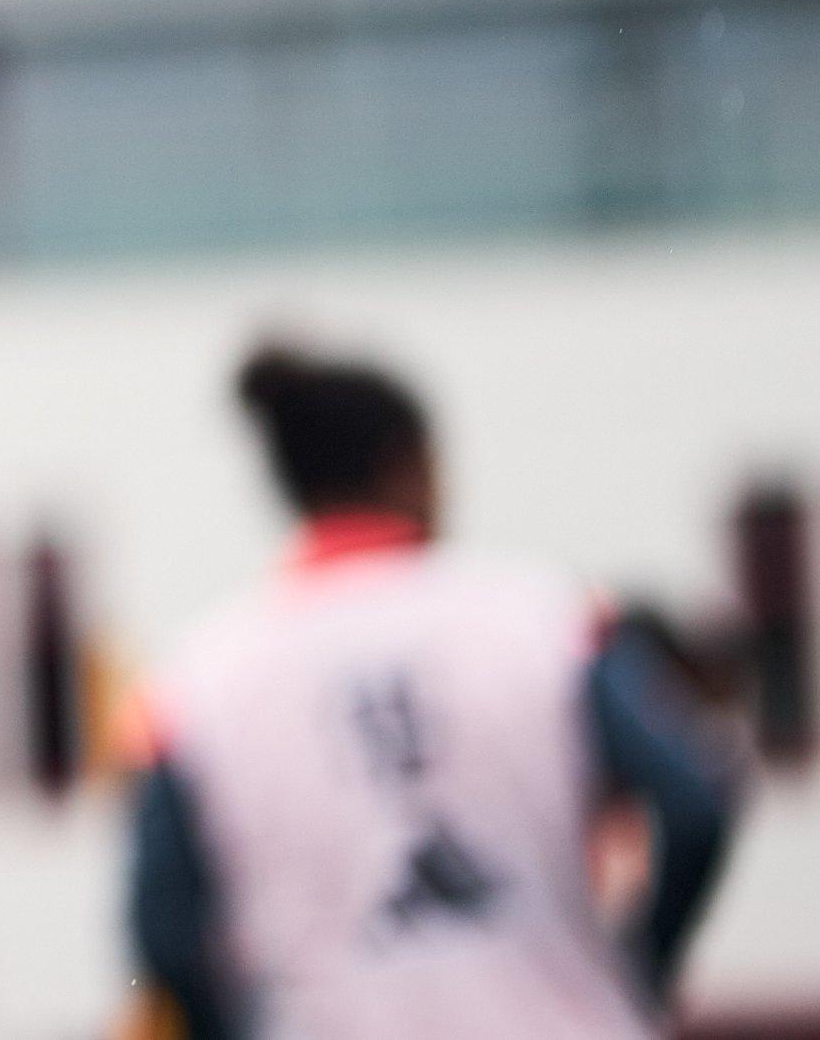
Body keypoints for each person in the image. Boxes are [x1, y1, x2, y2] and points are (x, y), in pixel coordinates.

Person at [122, 343, 741, 1040]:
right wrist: (639, 970)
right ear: (409, 462)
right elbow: (695, 801)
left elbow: (165, 930)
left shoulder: (197, 678)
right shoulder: (547, 615)